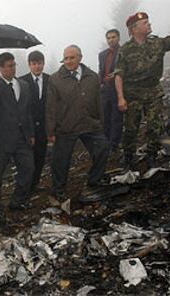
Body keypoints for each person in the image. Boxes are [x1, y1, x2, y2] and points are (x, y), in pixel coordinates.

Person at [114, 12, 170, 169]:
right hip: (132, 94)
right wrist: (121, 98)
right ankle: (128, 157)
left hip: (153, 92)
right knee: (131, 128)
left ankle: (152, 155)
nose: (149, 24)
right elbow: (119, 75)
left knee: (155, 125)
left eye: (148, 22)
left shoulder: (158, 43)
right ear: (134, 29)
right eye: (145, 23)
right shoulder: (125, 50)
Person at [46, 45, 110, 200]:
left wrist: (101, 123)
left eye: (71, 58)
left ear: (80, 57)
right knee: (60, 161)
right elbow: (50, 107)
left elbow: (98, 102)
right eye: (65, 58)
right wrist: (50, 131)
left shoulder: (93, 77)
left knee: (103, 148)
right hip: (66, 127)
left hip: (90, 124)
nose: (68, 61)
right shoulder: (55, 79)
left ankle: (95, 180)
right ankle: (59, 188)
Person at [0, 52, 35, 219]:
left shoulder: (24, 85)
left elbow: (27, 111)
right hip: (1, 139)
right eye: (9, 66)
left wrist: (31, 133)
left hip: (22, 137)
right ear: (0, 68)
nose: (13, 68)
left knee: (28, 168)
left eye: (14, 65)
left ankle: (17, 200)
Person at [19, 51, 50, 193]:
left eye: (39, 63)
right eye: (34, 64)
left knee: (40, 156)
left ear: (43, 63)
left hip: (44, 127)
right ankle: (25, 186)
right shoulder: (21, 81)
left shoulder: (51, 80)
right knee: (26, 160)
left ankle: (35, 183)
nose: (37, 67)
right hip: (27, 128)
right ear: (29, 65)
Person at [98, 29, 123, 151]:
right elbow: (101, 70)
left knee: (116, 117)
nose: (111, 40)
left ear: (118, 38)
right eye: (108, 38)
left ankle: (114, 144)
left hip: (118, 88)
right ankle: (106, 142)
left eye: (113, 37)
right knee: (105, 117)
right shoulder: (102, 55)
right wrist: (100, 84)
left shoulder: (123, 52)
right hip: (105, 90)